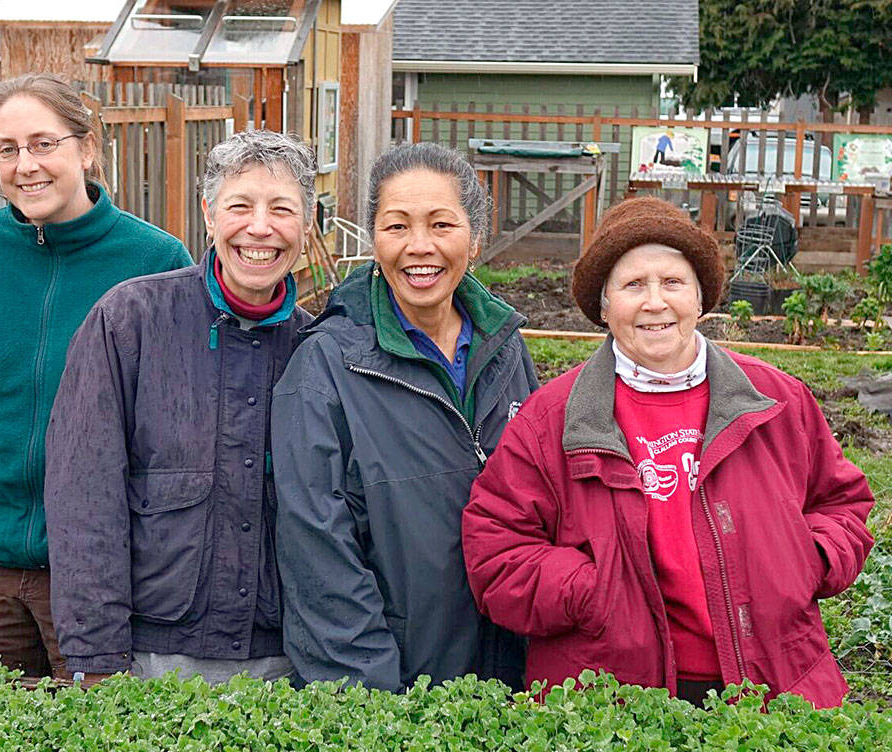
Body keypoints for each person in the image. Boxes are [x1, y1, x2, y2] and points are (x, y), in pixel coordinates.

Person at [461, 197, 873, 708]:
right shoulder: (552, 420)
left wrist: (804, 561)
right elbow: (496, 552)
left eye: (673, 283)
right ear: (604, 305)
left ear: (700, 300)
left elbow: (843, 505)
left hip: (775, 680)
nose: (655, 302)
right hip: (609, 699)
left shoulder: (777, 400)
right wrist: (595, 592)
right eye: (634, 285)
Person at [0, 74, 192, 679]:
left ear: (86, 148)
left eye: (44, 144)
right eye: (8, 149)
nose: (26, 166)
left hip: (95, 570)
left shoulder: (155, 263)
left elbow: (175, 432)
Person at [45, 130, 315, 685]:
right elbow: (84, 498)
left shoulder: (322, 350)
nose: (259, 228)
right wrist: (97, 663)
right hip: (151, 658)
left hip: (286, 661)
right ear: (209, 216)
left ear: (307, 227)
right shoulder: (130, 320)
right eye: (239, 206)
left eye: (282, 209)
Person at [271, 142, 538, 692]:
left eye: (442, 224)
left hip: (507, 682)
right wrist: (375, 706)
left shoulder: (504, 348)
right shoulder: (327, 367)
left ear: (476, 236)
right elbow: (318, 558)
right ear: (374, 239)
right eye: (397, 227)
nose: (420, 247)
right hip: (396, 692)